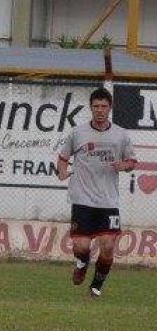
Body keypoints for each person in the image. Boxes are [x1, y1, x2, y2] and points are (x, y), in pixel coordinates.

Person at [57, 87, 137, 298]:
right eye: (96, 106)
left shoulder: (121, 135)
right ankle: (82, 262)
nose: (100, 110)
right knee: (81, 246)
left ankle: (96, 286)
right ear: (91, 108)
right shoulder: (78, 133)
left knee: (108, 245)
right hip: (82, 198)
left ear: (110, 108)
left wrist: (125, 165)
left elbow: (132, 162)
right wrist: (62, 172)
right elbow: (63, 157)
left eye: (104, 106)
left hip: (108, 201)